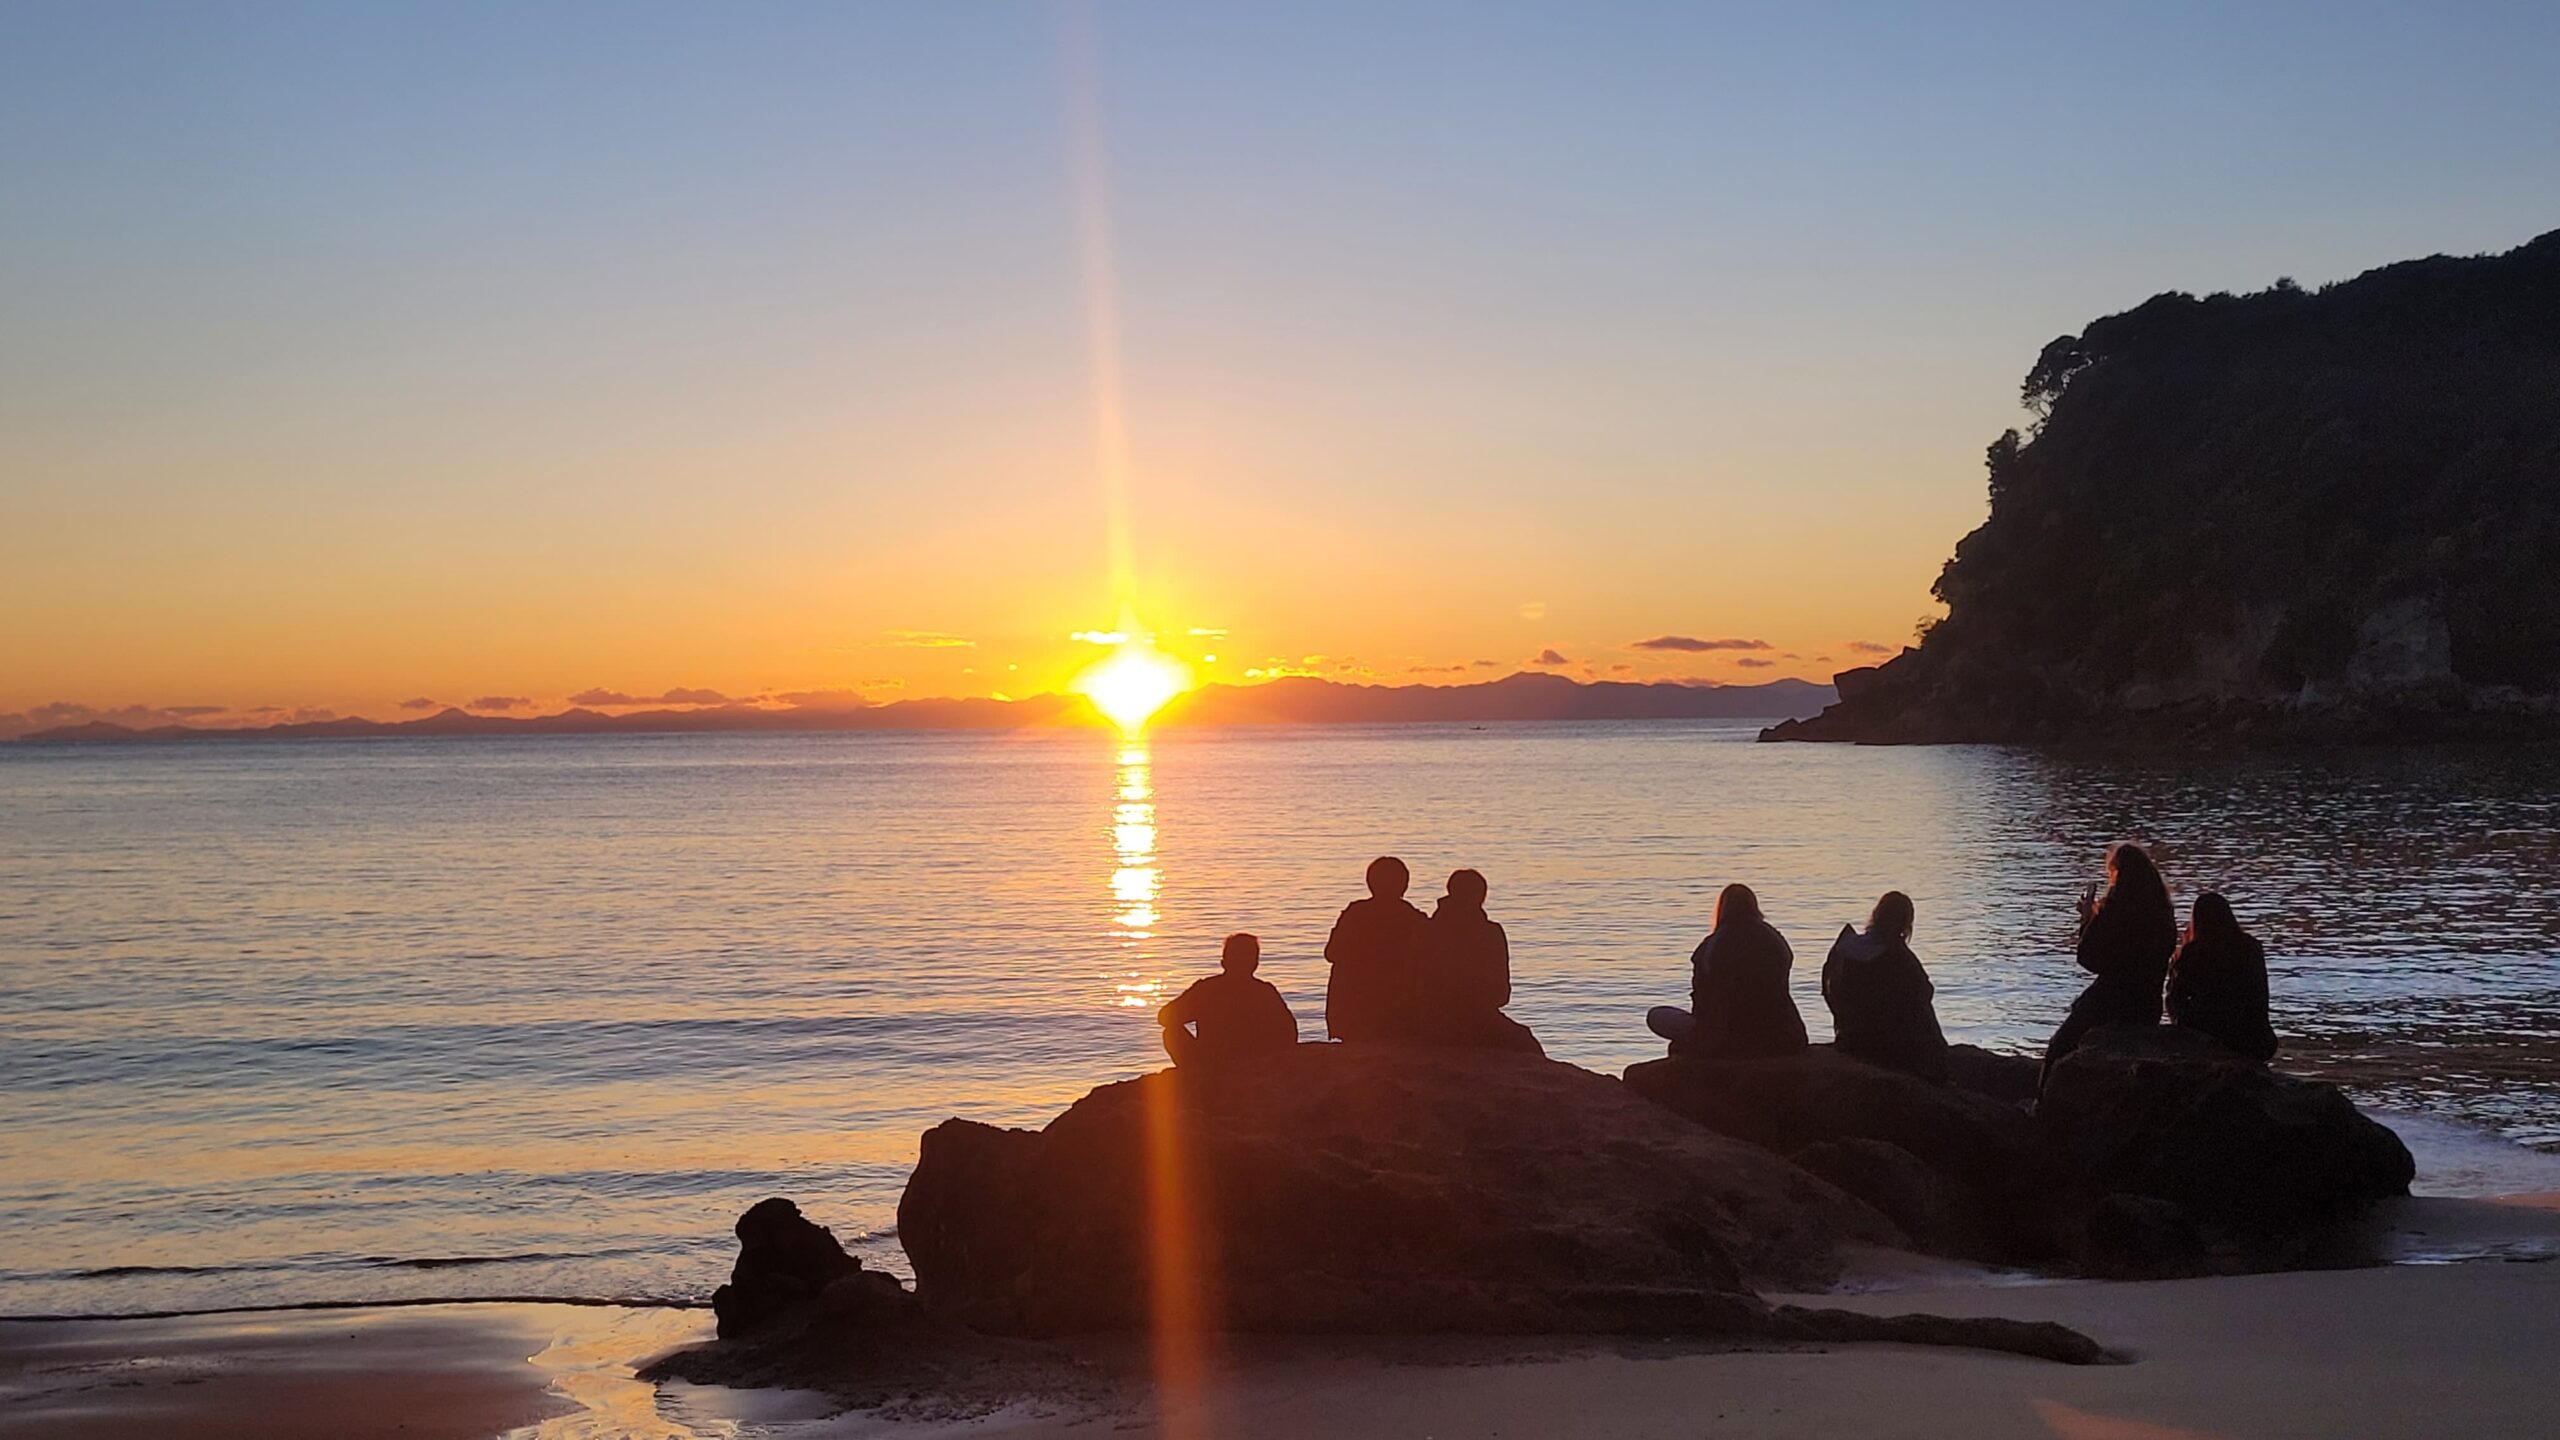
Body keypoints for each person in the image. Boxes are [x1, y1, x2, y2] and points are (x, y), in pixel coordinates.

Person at [2040, 841, 2178, 1089]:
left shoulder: (2115, 910)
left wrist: (2087, 919)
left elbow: (2088, 957)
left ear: (2118, 874)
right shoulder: (2163, 911)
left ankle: (2042, 1106)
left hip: (2111, 1004)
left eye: (2111, 874)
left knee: (2058, 1047)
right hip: (2148, 1005)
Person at [1648, 883, 1807, 1057]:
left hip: (1729, 1039)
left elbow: (1701, 998)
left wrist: (1703, 1029)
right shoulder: (1776, 940)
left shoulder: (1712, 945)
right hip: (1785, 1034)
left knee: (1656, 1016)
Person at [1821, 890, 1949, 1080]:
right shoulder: (1896, 955)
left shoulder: (1843, 948)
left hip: (1849, 1033)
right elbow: (1923, 992)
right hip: (1883, 1041)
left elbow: (1828, 990)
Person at [1415, 868, 1544, 1055]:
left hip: (1431, 1021)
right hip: (1475, 1022)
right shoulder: (1490, 933)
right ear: (1480, 897)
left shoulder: (1427, 930)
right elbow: (1502, 994)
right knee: (1527, 1044)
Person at [1323, 856, 1429, 1041]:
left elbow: (1331, 953)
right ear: (1404, 885)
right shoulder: (1415, 919)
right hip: (1402, 1012)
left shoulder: (1355, 914)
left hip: (1355, 1012)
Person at [2167, 891, 2278, 1062]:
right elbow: (2260, 996)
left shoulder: (2193, 952)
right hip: (2255, 1040)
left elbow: (2175, 998)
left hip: (2209, 1035)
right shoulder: (2251, 947)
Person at [1159, 932, 1299, 1068]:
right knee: (1171, 1031)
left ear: (1223, 962)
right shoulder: (1265, 992)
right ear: (1255, 964)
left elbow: (1164, 1017)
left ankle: (1195, 1075)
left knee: (1171, 1033)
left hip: (1211, 1062)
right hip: (1255, 1061)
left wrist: (1197, 1012)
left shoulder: (1206, 989)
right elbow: (1290, 1033)